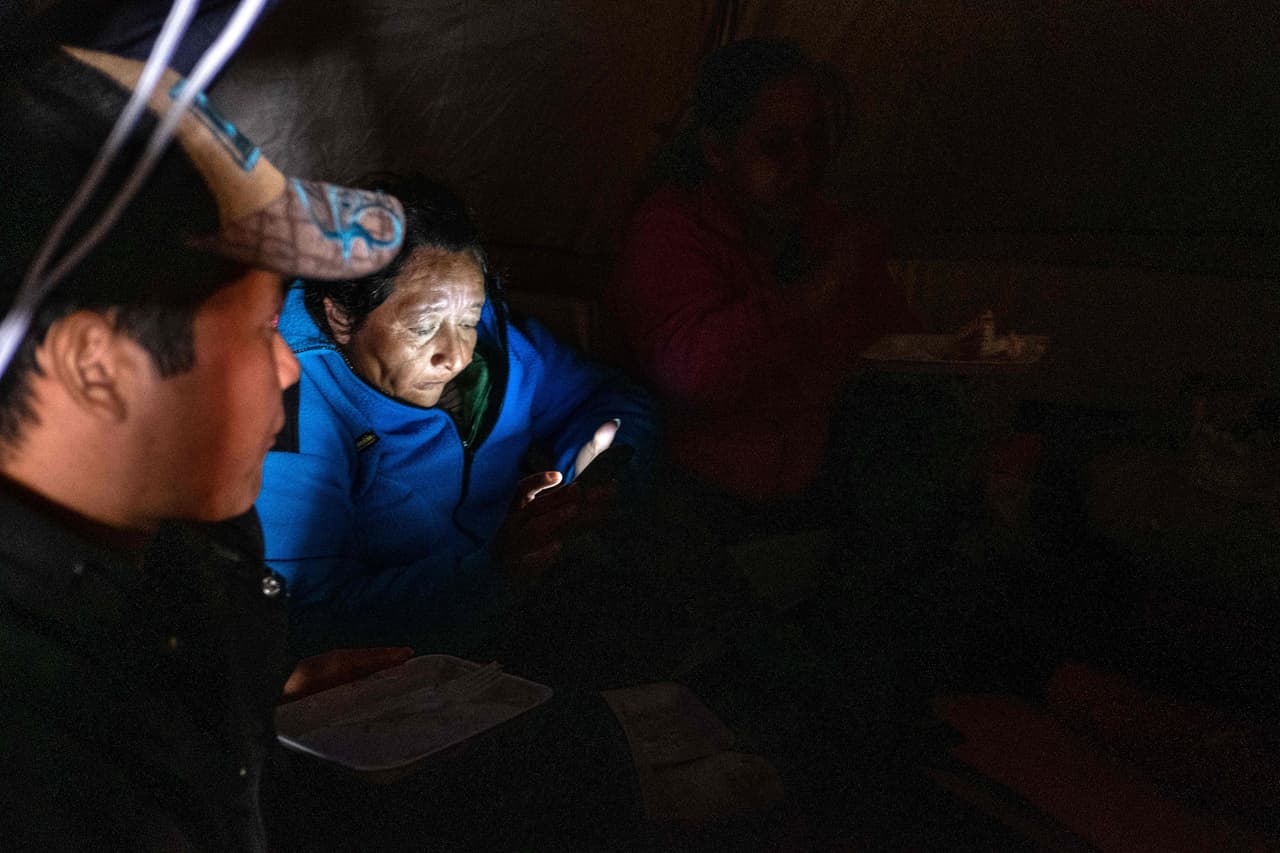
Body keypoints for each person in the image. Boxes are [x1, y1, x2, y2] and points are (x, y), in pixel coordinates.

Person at [0, 43, 406, 850]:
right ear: (96, 366)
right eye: (262, 326)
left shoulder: (183, 547)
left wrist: (245, 714)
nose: (289, 366)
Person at [256, 174, 659, 659]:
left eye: (468, 320)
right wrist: (491, 572)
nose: (458, 356)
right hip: (408, 663)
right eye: (423, 326)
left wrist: (593, 479)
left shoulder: (492, 341)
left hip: (524, 601)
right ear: (341, 318)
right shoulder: (295, 409)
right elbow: (306, 616)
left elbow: (607, 397)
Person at [610, 39, 963, 545]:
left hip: (814, 491)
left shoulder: (824, 229)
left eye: (813, 142)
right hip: (694, 505)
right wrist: (819, 289)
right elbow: (694, 376)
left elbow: (899, 345)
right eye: (776, 146)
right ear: (717, 151)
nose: (804, 164)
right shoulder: (669, 231)